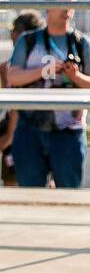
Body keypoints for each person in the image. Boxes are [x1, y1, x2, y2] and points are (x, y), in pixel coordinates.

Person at [5, 0, 90, 188]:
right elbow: (12, 77)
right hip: (30, 128)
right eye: (62, 5)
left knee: (69, 195)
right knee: (31, 197)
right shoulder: (29, 40)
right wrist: (42, 71)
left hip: (69, 131)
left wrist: (75, 76)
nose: (68, 11)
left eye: (72, 6)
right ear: (48, 6)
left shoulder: (81, 42)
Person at [1, 11, 44, 186]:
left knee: (16, 184)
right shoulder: (14, 63)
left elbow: (17, 105)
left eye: (15, 30)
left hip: (23, 131)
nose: (11, 34)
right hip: (30, 128)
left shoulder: (25, 65)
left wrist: (9, 137)